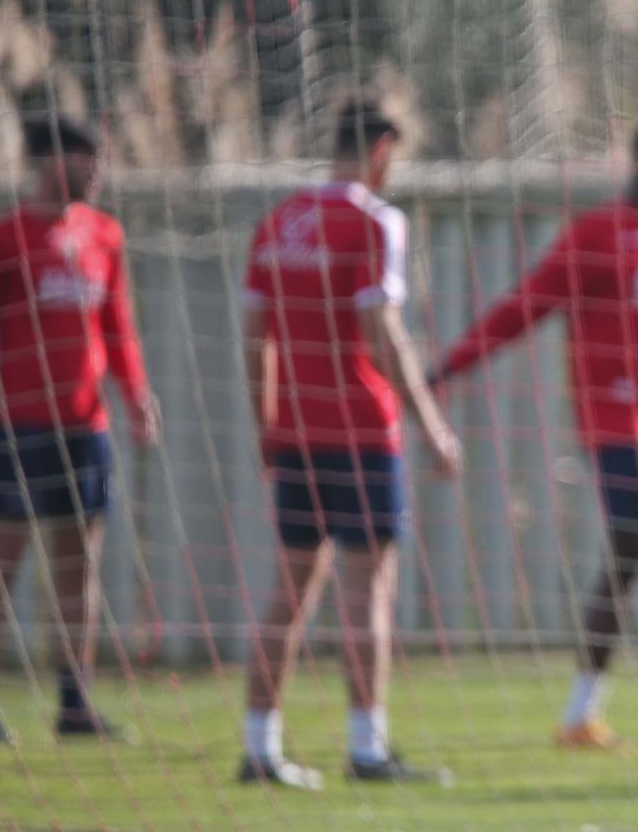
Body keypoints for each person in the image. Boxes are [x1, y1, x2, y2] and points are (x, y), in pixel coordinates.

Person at [433, 122, 638, 750]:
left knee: (628, 562)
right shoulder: (597, 235)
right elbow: (527, 304)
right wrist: (449, 366)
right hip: (612, 423)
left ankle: (580, 716)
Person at [237, 98, 462, 789]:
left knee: (290, 589)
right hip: (362, 433)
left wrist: (266, 425)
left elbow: (254, 337)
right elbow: (381, 331)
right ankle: (367, 751)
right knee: (368, 593)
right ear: (383, 149)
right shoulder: (375, 220)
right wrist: (432, 425)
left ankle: (258, 748)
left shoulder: (277, 222)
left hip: (296, 432)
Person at [0, 97, 161, 749]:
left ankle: (75, 703)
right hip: (21, 430)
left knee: (78, 567)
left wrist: (136, 395)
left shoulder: (105, 234)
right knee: (2, 565)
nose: (97, 168)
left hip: (85, 430)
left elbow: (117, 327)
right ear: (50, 160)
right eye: (86, 155)